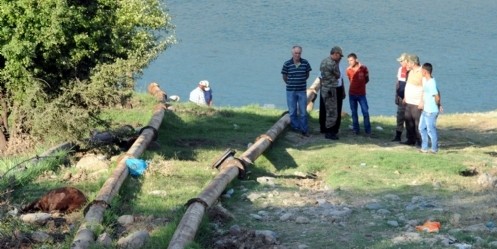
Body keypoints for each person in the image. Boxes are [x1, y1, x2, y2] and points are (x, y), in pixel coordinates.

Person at [281, 45, 312, 136]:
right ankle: (295, 127)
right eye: (295, 53)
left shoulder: (305, 63)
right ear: (292, 53)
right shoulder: (287, 64)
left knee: (303, 111)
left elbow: (307, 74)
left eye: (299, 53)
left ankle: (304, 129)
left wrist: (301, 81)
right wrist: (290, 83)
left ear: (301, 53)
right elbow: (284, 76)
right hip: (291, 91)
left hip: (302, 90)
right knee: (292, 110)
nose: (297, 55)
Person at [319, 46, 346, 140]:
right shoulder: (333, 64)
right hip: (331, 89)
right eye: (339, 55)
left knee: (326, 110)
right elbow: (338, 75)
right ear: (335, 54)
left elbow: (321, 74)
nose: (340, 58)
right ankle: (330, 132)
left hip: (324, 88)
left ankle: (325, 129)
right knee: (332, 111)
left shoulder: (323, 61)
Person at [346, 53, 370, 135]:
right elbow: (350, 80)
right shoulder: (348, 70)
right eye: (348, 61)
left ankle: (368, 130)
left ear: (356, 59)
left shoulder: (364, 68)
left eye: (351, 60)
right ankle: (356, 130)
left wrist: (361, 85)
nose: (350, 62)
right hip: (352, 94)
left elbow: (367, 79)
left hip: (361, 94)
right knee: (354, 112)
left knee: (365, 112)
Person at [418, 62, 440, 153]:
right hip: (425, 110)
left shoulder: (432, 83)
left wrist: (438, 105)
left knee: (431, 130)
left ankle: (434, 149)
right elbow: (424, 91)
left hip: (431, 111)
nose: (421, 72)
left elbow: (437, 96)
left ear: (425, 71)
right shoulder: (424, 80)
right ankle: (424, 147)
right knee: (421, 128)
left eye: (422, 70)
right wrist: (422, 102)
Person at [402, 54, 423, 146]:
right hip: (409, 101)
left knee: (417, 123)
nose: (407, 64)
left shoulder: (422, 72)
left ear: (413, 63)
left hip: (417, 102)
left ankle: (420, 141)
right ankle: (410, 139)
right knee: (408, 121)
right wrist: (405, 97)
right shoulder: (410, 72)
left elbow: (425, 88)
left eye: (409, 62)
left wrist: (422, 101)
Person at [392, 53, 409, 141]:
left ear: (407, 61)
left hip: (410, 99)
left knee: (409, 118)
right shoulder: (400, 69)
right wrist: (396, 95)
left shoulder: (411, 70)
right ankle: (398, 136)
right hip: (400, 97)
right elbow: (398, 83)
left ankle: (410, 137)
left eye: (402, 61)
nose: (400, 63)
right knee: (400, 117)